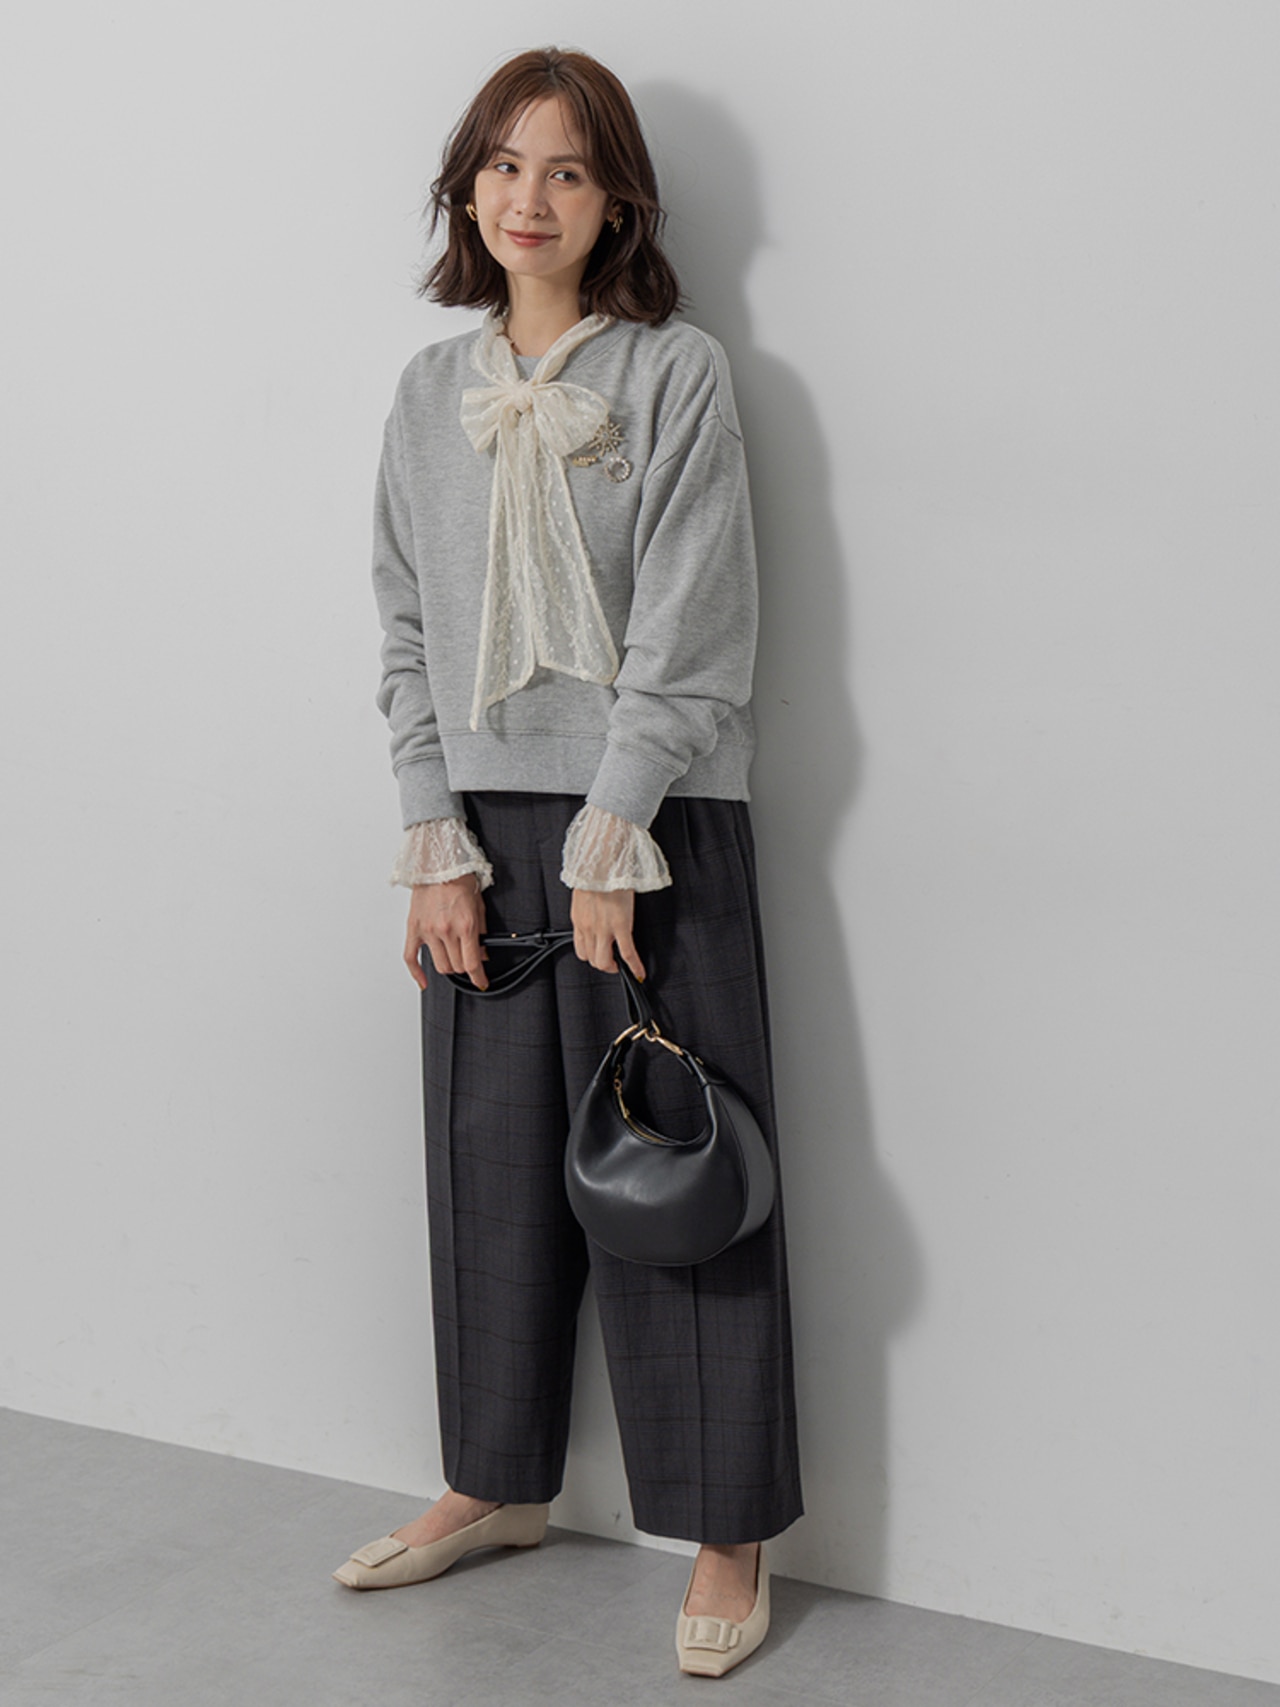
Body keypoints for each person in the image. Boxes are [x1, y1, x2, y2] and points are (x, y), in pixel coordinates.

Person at [332, 46, 803, 1678]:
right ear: (467, 189)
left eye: (569, 170)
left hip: (652, 828)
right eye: (505, 166)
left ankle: (728, 1530)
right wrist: (432, 842)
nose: (529, 198)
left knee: (684, 1172)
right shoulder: (425, 392)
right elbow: (404, 627)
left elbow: (696, 622)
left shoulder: (677, 376)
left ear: (618, 204)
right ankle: (495, 1481)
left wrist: (617, 833)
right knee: (487, 1167)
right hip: (474, 829)